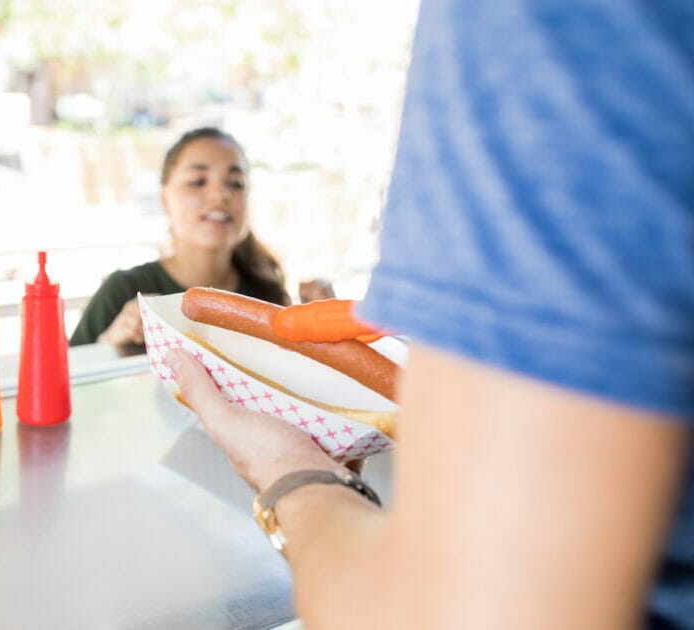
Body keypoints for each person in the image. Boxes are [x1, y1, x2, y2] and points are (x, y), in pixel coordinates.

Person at [165, 2, 693, 629]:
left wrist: (288, 474)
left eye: (234, 180)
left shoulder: (538, 21)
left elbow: (469, 617)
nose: (217, 195)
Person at [70, 127, 292, 350]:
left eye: (235, 183)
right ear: (165, 200)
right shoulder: (124, 290)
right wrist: (109, 344)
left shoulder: (267, 293)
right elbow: (70, 376)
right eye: (197, 181)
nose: (220, 194)